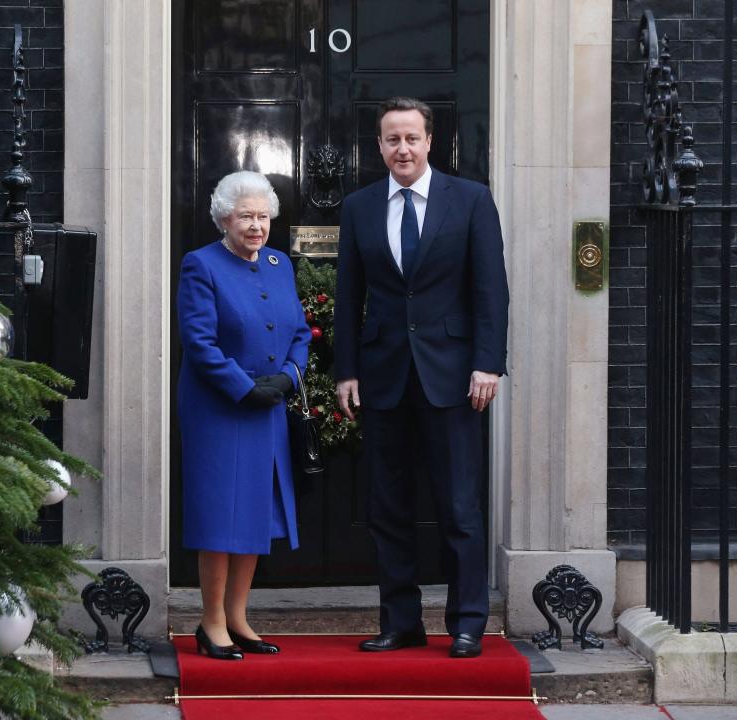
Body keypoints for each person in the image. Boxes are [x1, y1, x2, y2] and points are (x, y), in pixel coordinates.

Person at [334, 97, 508, 659]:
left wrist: (489, 362)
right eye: (391, 139)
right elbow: (348, 296)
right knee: (389, 508)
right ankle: (401, 622)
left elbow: (490, 290)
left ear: (430, 141)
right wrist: (346, 370)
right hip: (384, 377)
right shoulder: (359, 207)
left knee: (459, 507)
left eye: (411, 138)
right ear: (379, 146)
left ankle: (467, 623)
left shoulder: (472, 200)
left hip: (455, 377)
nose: (402, 148)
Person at [177, 170, 311, 660]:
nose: (256, 225)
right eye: (245, 216)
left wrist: (289, 377)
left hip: (268, 407)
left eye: (262, 216)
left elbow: (299, 330)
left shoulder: (278, 264)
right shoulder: (202, 265)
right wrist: (242, 387)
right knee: (220, 514)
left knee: (254, 510)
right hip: (219, 410)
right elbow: (199, 342)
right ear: (224, 219)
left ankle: (238, 617)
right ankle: (210, 623)